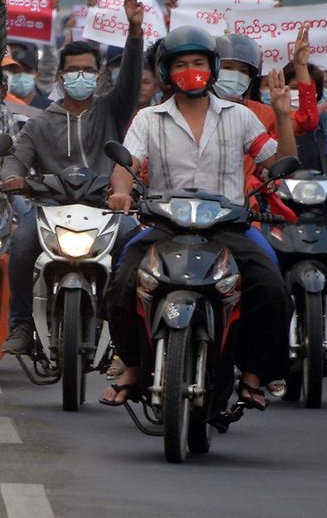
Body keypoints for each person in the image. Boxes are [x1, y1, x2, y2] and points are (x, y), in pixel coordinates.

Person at [102, 26, 297, 409]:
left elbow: (278, 163)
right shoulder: (149, 119)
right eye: (180, 64)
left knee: (273, 287)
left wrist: (283, 115)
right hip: (164, 226)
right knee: (123, 280)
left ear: (213, 68)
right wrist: (122, 191)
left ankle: (255, 374)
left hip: (229, 227)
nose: (190, 70)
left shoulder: (239, 116)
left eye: (198, 62)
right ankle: (134, 363)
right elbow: (127, 164)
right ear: (165, 71)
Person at [0, 0, 147, 355]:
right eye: (72, 71)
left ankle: (125, 322)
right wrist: (12, 178)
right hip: (50, 211)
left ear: (98, 77)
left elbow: (130, 79)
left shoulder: (112, 110)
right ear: (60, 77)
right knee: (19, 243)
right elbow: (16, 158)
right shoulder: (40, 123)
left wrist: (134, 33)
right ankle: (20, 324)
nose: (80, 77)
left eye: (88, 71)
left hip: (106, 210)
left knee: (135, 242)